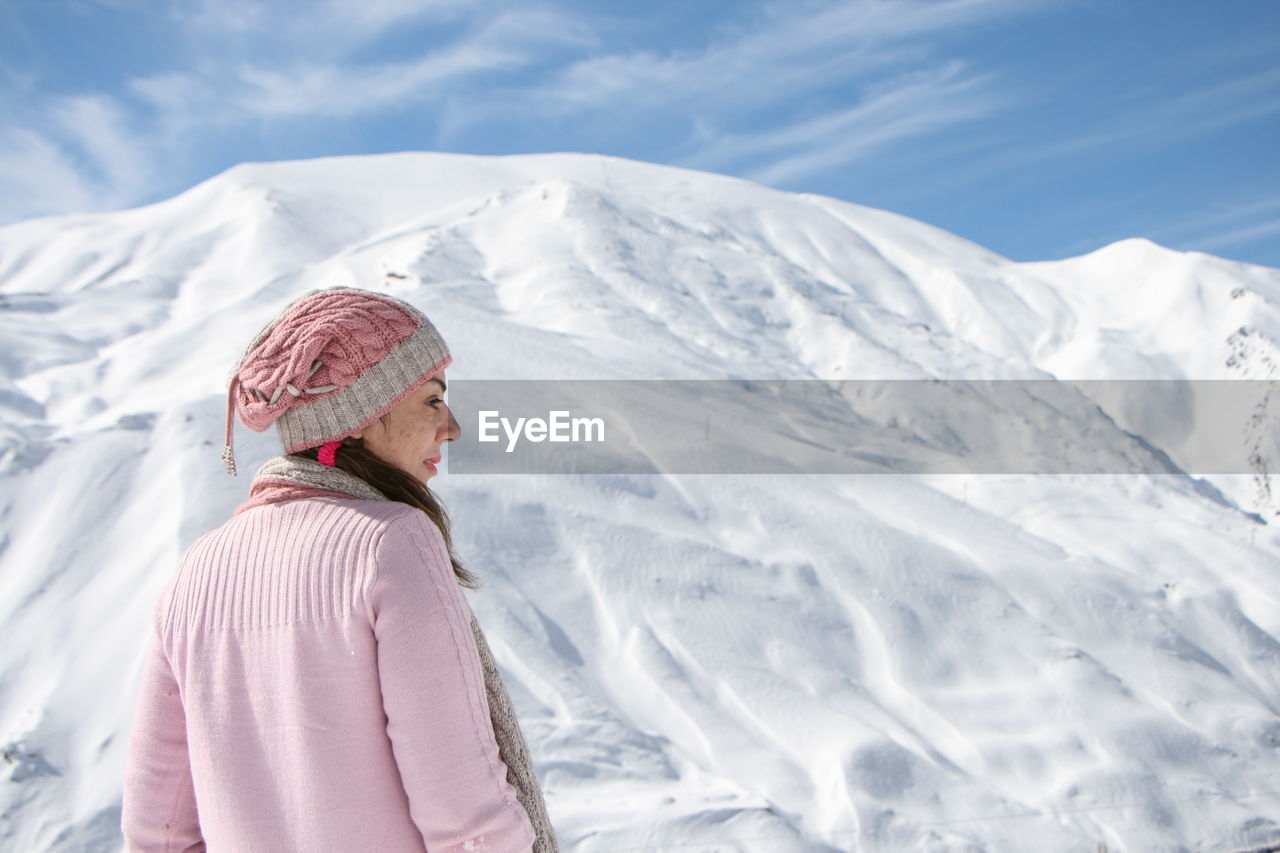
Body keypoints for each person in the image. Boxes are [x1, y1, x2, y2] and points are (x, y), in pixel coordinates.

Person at [121, 287, 558, 852]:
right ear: (358, 418)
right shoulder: (391, 543)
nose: (451, 427)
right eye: (431, 400)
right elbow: (467, 819)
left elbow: (158, 830)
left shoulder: (197, 569)